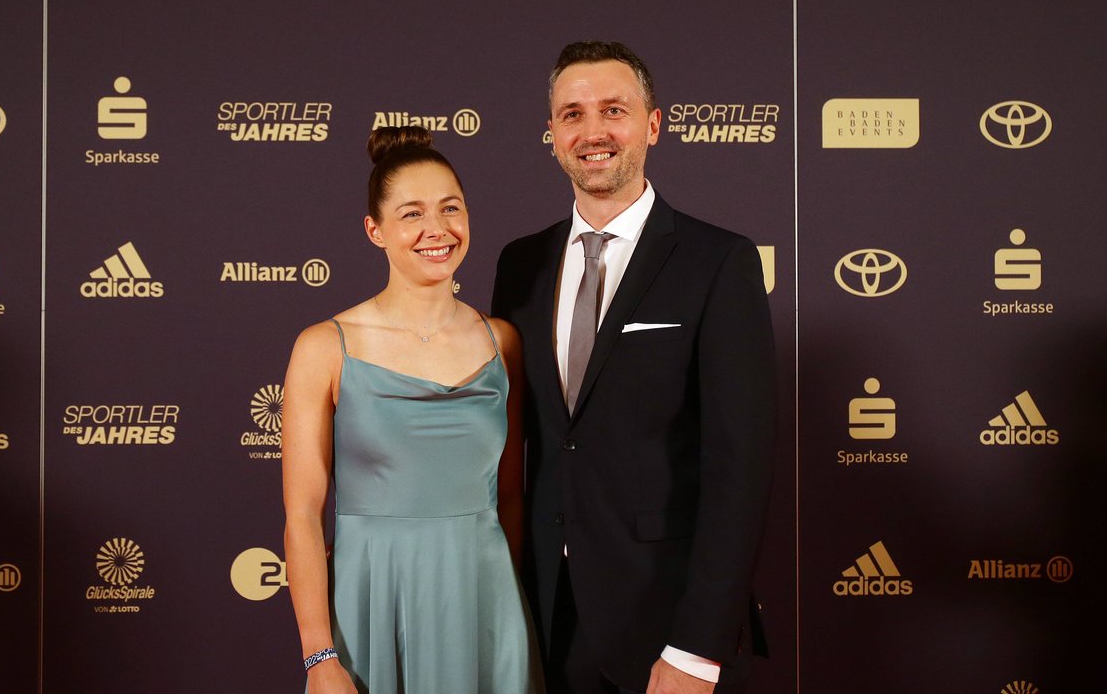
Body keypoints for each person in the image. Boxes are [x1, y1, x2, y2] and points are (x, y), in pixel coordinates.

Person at [491, 41, 776, 694]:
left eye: (613, 110)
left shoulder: (719, 262)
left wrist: (697, 648)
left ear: (652, 124)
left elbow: (740, 470)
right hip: (541, 621)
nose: (592, 132)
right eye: (572, 114)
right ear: (552, 134)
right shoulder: (519, 265)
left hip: (664, 628)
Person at [282, 126, 543, 694]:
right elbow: (303, 515)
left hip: (484, 597)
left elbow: (510, 497)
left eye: (451, 209)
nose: (437, 230)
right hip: (372, 599)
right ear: (374, 230)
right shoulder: (324, 345)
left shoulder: (502, 342)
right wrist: (318, 656)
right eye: (412, 214)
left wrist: (508, 609)